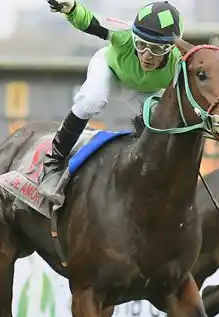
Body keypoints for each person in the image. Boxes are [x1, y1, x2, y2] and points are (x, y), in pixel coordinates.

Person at [39, 0, 183, 205]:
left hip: (142, 91)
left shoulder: (180, 62)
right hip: (110, 71)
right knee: (91, 101)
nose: (146, 55)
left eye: (157, 49)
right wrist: (70, 7)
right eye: (141, 45)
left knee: (162, 126)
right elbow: (90, 21)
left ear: (170, 49)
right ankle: (53, 163)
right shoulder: (123, 36)